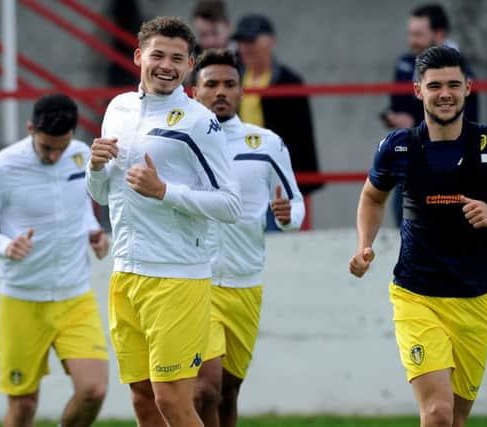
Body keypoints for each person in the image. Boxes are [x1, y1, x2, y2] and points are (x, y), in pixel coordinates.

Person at [349, 46, 487, 427]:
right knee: (436, 413)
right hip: (416, 295)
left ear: (468, 88)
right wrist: (364, 245)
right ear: (418, 90)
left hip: (475, 299)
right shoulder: (398, 147)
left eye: (454, 84)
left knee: (455, 418)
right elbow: (372, 196)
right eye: (435, 85)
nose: (445, 93)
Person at [86, 17, 242, 427]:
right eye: (157, 55)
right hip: (124, 275)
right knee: (141, 400)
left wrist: (164, 192)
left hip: (176, 278)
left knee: (173, 401)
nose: (166, 65)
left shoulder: (199, 121)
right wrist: (95, 168)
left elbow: (231, 204)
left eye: (177, 58)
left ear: (190, 65)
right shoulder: (117, 109)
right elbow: (103, 196)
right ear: (139, 56)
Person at [191, 48, 304, 427]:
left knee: (226, 395)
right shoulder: (179, 141)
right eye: (211, 84)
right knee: (202, 391)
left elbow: (295, 201)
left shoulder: (266, 144)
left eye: (229, 84)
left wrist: (289, 218)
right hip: (194, 281)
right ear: (195, 91)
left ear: (243, 91)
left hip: (245, 285)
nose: (220, 91)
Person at [0, 94, 109, 427]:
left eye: (62, 146)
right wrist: (5, 246)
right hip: (23, 298)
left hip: (75, 297)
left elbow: (81, 209)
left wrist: (93, 232)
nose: (55, 155)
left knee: (94, 390)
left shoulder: (81, 156)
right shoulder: (3, 166)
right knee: (23, 406)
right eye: (47, 148)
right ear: (30, 129)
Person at [381, 4, 479, 227]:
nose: (412, 41)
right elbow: (398, 104)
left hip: (449, 160)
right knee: (404, 217)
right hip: (412, 155)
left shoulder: (462, 73)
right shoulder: (405, 63)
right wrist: (397, 118)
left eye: (418, 35)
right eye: (410, 34)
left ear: (439, 35)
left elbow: (466, 119)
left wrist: (413, 120)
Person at [233, 14, 322, 227]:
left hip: (276, 178)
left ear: (270, 42)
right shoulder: (233, 79)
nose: (246, 47)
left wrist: (301, 184)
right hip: (240, 175)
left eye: (252, 40)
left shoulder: (289, 82)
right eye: (242, 41)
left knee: (278, 236)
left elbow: (302, 138)